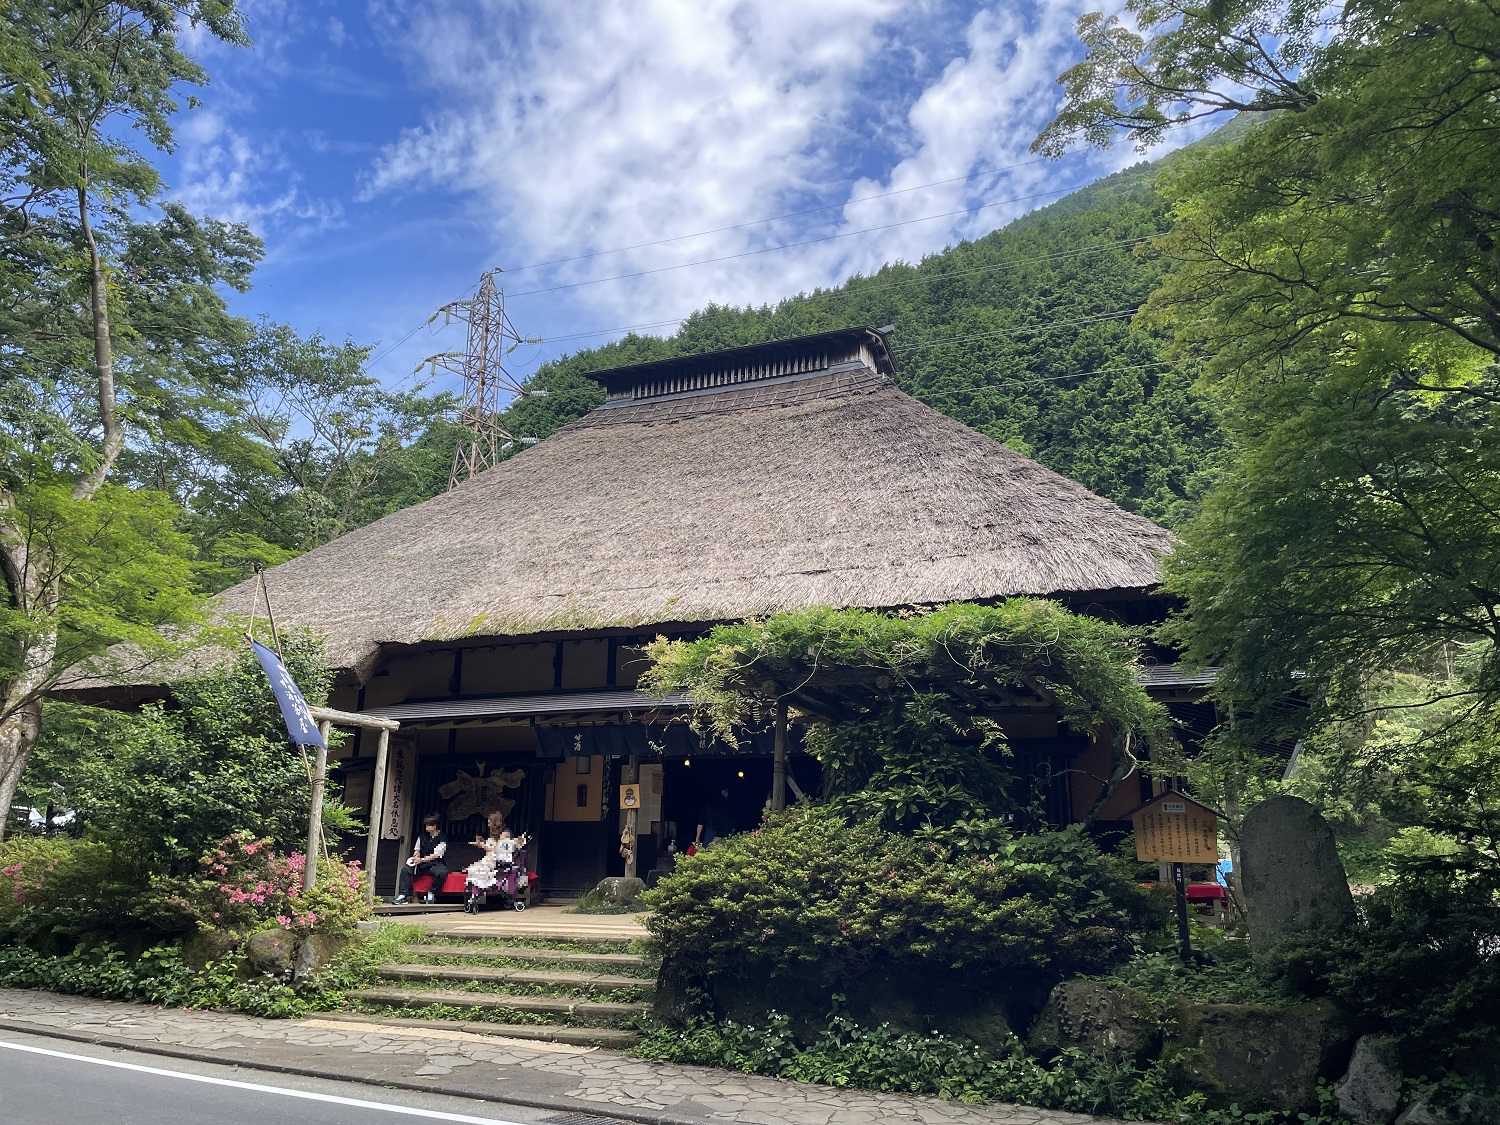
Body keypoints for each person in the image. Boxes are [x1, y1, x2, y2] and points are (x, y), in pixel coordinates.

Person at [392, 814, 448, 904]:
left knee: (442, 873)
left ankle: (431, 893)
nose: (426, 827)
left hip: (435, 863)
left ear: (434, 826)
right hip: (421, 863)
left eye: (428, 825)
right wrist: (416, 855)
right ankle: (403, 895)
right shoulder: (422, 836)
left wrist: (421, 859)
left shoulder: (442, 837)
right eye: (426, 825)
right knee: (405, 870)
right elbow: (417, 849)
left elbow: (436, 854)